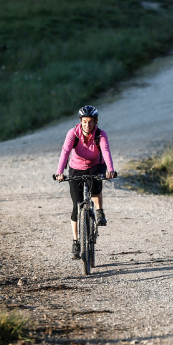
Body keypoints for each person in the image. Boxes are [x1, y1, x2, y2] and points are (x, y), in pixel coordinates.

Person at [55, 105, 116, 259]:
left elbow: (106, 151)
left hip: (96, 165)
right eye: (84, 121)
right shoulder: (73, 134)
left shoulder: (100, 135)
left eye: (90, 122)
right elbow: (65, 152)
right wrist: (60, 172)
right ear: (80, 121)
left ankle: (100, 211)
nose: (87, 125)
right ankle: (76, 241)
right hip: (76, 167)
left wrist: (110, 169)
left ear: (95, 122)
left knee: (95, 185)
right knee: (76, 205)